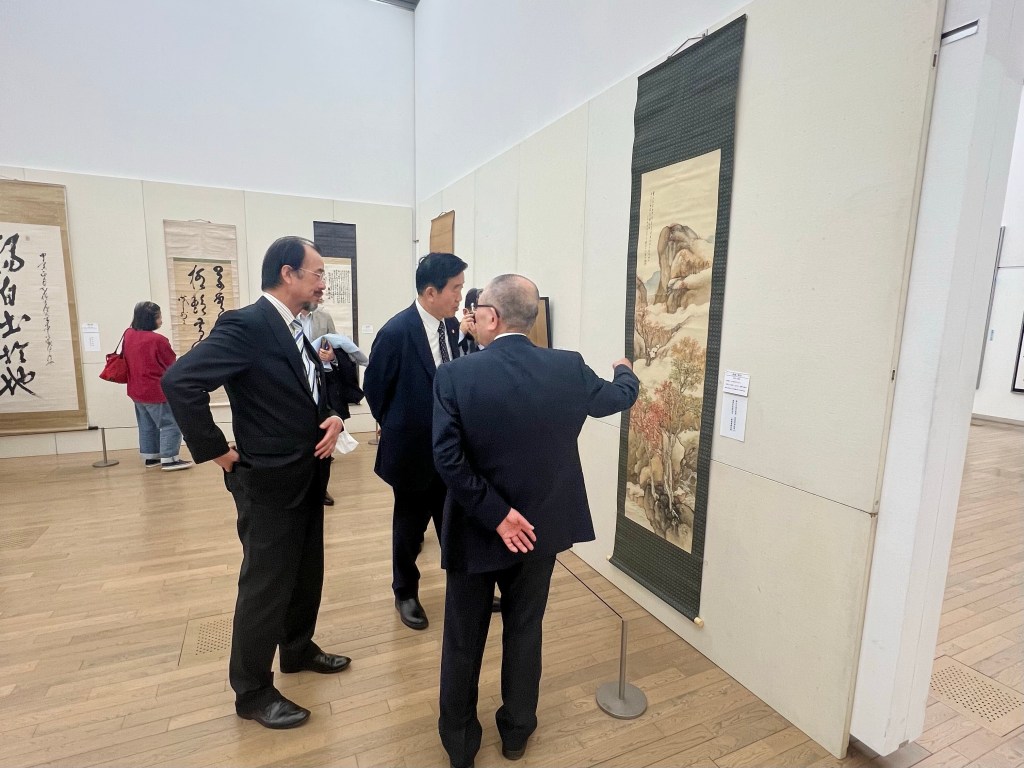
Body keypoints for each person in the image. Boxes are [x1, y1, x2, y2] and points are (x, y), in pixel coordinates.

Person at [431, 274, 639, 768]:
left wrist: (497, 515)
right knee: (525, 629)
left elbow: (447, 459)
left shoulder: (455, 376)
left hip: (477, 529)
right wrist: (625, 371)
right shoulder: (568, 367)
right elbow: (617, 398)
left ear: (491, 317)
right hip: (539, 530)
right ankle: (517, 732)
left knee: (463, 639)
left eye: (477, 309)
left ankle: (460, 742)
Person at [162, 236, 351, 730]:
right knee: (265, 586)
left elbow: (309, 389)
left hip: (308, 473)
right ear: (288, 273)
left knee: (306, 571)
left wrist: (333, 416)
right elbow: (180, 382)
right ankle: (251, 691)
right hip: (267, 480)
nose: (322, 283)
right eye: (317, 273)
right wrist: (218, 451)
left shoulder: (297, 327)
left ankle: (297, 648)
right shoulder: (247, 325)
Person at [363, 252, 467, 631]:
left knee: (455, 525)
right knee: (409, 528)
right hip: (412, 452)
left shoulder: (452, 327)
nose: (460, 296)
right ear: (430, 292)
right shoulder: (396, 332)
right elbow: (374, 389)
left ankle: (466, 589)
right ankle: (405, 592)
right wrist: (399, 426)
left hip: (452, 450)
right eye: (455, 288)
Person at [122, 301, 192, 471]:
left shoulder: (129, 334)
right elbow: (171, 365)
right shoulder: (158, 340)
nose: (161, 320)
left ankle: (151, 457)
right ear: (149, 319)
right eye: (158, 317)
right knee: (170, 423)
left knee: (147, 425)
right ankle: (169, 459)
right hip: (155, 391)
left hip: (136, 389)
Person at [298, 301, 340, 506]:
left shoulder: (324, 317)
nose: (320, 292)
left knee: (322, 438)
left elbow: (337, 346)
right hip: (294, 385)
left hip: (319, 385)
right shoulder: (283, 319)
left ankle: (321, 489)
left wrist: (332, 356)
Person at [457, 287, 482, 355]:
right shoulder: (452, 331)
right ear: (465, 312)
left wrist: (479, 342)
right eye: (478, 309)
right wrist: (461, 334)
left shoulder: (491, 334)